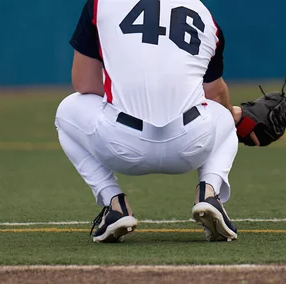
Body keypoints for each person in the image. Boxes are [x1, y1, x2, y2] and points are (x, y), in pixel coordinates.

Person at [55, 0, 260, 243]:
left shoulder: (100, 4)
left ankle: (115, 203)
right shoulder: (204, 15)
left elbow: (85, 85)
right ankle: (209, 192)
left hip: (121, 145)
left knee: (67, 110)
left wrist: (128, 93)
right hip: (190, 144)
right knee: (222, 113)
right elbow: (214, 94)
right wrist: (235, 116)